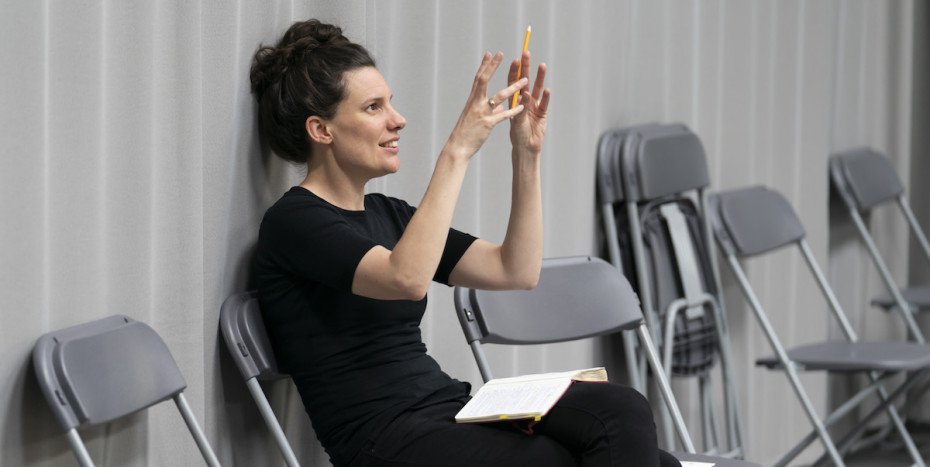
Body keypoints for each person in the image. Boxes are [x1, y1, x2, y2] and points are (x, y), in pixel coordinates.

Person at [250, 19, 680, 467]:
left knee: (623, 412)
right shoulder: (294, 222)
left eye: (390, 103)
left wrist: (526, 155)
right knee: (556, 460)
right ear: (321, 130)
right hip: (383, 439)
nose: (398, 120)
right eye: (374, 107)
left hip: (451, 409)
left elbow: (515, 270)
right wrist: (457, 151)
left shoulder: (389, 214)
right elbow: (406, 279)